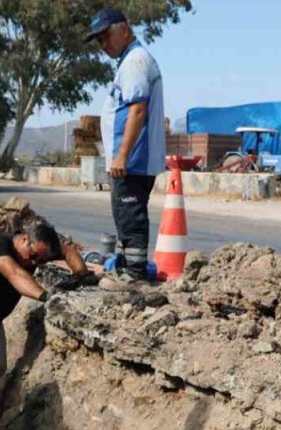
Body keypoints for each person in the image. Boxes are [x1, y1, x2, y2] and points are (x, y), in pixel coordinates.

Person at [0, 219, 90, 387]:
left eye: (41, 260)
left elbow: (68, 251)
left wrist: (81, 275)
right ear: (24, 239)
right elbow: (14, 273)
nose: (35, 263)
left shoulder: (39, 250)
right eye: (33, 256)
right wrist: (46, 297)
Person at [88, 8, 166, 288]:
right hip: (127, 160)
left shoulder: (135, 61)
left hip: (132, 160)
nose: (103, 46)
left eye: (105, 37)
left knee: (131, 215)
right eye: (98, 41)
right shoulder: (128, 61)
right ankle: (125, 268)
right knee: (124, 216)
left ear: (124, 28)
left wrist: (122, 154)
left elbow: (137, 111)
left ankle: (135, 276)